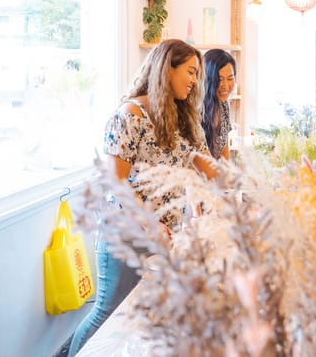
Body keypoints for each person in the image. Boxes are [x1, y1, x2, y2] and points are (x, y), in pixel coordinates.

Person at [68, 39, 217, 356]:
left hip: (162, 236)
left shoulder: (179, 118)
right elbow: (115, 182)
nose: (194, 81)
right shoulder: (129, 115)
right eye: (190, 72)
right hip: (125, 233)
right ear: (167, 69)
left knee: (140, 318)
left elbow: (204, 167)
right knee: (106, 315)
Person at [201, 49, 237, 160]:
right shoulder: (196, 108)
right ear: (207, 79)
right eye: (219, 79)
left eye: (230, 78)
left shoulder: (223, 105)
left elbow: (224, 153)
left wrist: (228, 174)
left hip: (214, 174)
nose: (225, 86)